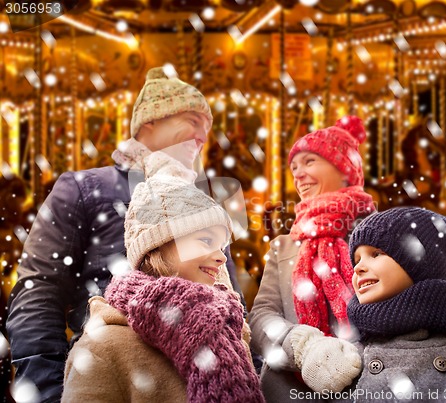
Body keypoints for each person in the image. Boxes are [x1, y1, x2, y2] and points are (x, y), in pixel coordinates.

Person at [6, 67, 244, 402]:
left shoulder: (201, 204)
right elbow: (38, 291)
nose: (203, 135)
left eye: (207, 126)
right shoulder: (84, 189)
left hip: (202, 382)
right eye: (192, 120)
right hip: (114, 378)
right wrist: (49, 392)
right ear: (151, 123)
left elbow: (230, 299)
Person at [62, 152, 264, 402]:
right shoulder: (104, 346)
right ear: (158, 246)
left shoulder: (230, 331)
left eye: (221, 246)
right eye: (205, 241)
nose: (222, 257)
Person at [248, 116, 376, 400]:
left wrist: (355, 353)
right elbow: (261, 316)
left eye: (309, 162)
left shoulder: (379, 234)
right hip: (290, 389)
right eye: (294, 167)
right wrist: (303, 348)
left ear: (343, 167)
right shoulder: (285, 245)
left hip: (368, 383)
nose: (298, 174)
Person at [344, 207, 446, 401]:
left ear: (422, 262)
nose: (358, 268)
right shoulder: (343, 361)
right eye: (356, 260)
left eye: (376, 254)